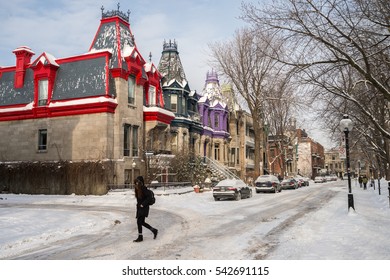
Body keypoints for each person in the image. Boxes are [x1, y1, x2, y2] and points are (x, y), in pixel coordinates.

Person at [133, 176, 158, 242]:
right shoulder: (138, 189)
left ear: (140, 182)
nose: (136, 183)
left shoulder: (143, 188)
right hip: (140, 208)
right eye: (136, 182)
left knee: (139, 222)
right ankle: (154, 230)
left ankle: (140, 237)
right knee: (141, 222)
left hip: (143, 208)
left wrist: (143, 204)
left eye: (137, 182)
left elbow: (149, 197)